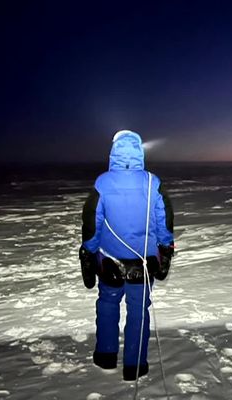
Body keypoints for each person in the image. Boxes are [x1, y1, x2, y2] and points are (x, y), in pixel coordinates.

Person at [78, 130, 174, 381]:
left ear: (114, 153)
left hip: (108, 261)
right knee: (138, 312)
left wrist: (88, 253)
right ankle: (135, 365)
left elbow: (91, 222)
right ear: (140, 152)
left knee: (108, 304)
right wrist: (166, 250)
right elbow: (164, 221)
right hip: (142, 264)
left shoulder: (103, 182)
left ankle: (106, 356)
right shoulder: (152, 182)